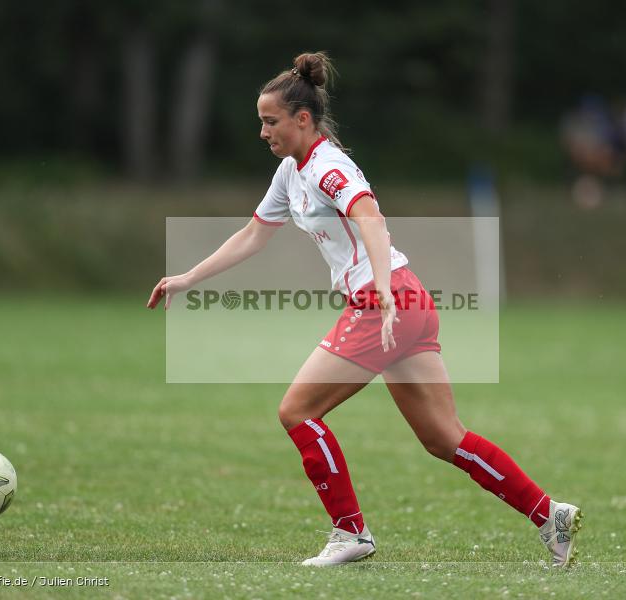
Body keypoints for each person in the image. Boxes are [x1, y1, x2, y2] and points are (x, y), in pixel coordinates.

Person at [147, 52, 583, 568]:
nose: (263, 132)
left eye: (271, 122)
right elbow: (253, 235)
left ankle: (350, 533)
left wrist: (380, 288)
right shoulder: (292, 171)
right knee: (445, 438)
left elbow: (371, 219)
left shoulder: (328, 167)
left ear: (302, 119)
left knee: (297, 411)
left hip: (385, 302)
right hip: (408, 300)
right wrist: (188, 279)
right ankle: (548, 514)